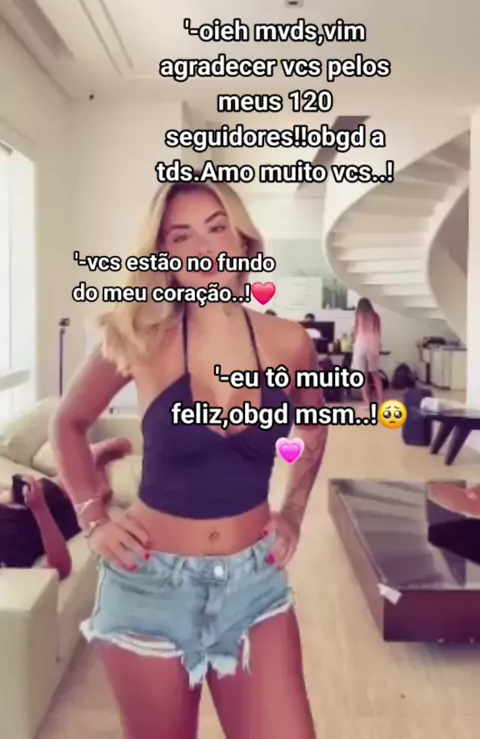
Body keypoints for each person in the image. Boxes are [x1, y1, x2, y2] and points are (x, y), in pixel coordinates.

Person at [50, 180, 328, 739]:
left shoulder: (288, 342)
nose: (204, 249)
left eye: (217, 228)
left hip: (255, 586)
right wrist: (93, 519)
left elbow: (313, 424)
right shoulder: (141, 339)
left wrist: (295, 510)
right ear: (165, 256)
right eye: (182, 237)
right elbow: (68, 423)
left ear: (242, 239)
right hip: (150, 585)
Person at [0, 437, 131, 577]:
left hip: (24, 506)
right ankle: (93, 466)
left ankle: (88, 458)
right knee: (97, 498)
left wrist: (16, 495)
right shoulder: (9, 558)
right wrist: (40, 508)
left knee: (49, 490)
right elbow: (61, 568)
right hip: (47, 528)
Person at [351, 297, 383, 406]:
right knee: (375, 374)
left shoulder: (357, 316)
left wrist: (353, 342)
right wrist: (379, 345)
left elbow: (355, 332)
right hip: (373, 345)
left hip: (360, 345)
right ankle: (380, 400)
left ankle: (367, 402)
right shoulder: (376, 316)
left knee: (363, 375)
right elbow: (379, 332)